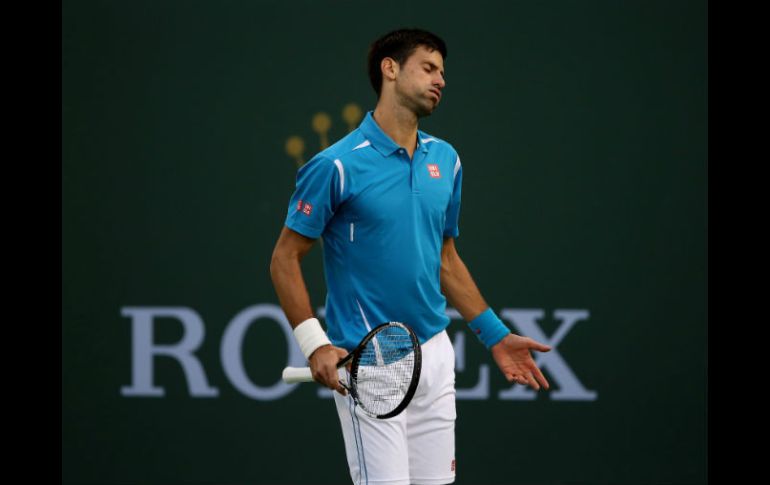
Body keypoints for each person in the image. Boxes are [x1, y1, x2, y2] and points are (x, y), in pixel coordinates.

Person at [270, 28, 551, 485]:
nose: (440, 79)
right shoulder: (335, 165)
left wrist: (496, 336)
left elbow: (446, 260)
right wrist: (314, 343)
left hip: (435, 355)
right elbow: (284, 259)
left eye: (443, 72)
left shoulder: (448, 160)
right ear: (391, 69)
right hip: (371, 358)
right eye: (429, 67)